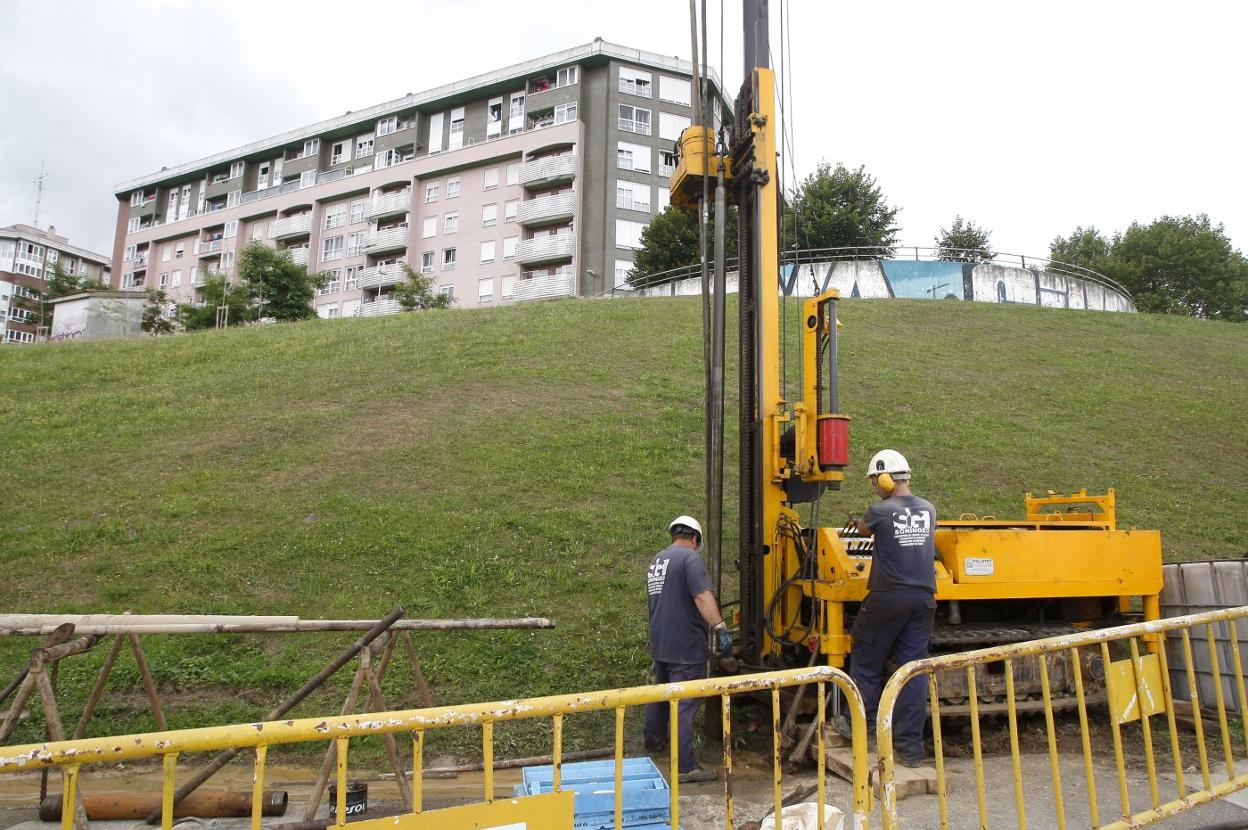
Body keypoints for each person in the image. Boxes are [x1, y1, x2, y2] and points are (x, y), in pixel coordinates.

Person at [836, 450, 938, 767]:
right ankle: (910, 749)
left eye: (874, 482)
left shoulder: (879, 510)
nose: (874, 488)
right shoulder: (929, 509)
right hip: (923, 598)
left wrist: (856, 521)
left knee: (866, 656)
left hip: (888, 595)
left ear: (884, 477)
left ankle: (862, 729)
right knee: (912, 670)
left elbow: (864, 530)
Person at [643, 515, 732, 784]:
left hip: (661, 641)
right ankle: (684, 767)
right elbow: (702, 596)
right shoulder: (691, 559)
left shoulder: (658, 560)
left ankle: (654, 742)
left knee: (660, 694)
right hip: (685, 645)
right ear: (696, 539)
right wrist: (719, 626)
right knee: (684, 704)